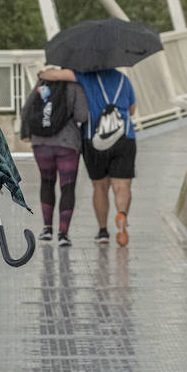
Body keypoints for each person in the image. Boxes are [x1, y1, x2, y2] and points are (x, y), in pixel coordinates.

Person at [39, 67, 136, 246]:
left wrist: (42, 74)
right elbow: (131, 110)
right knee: (122, 185)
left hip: (93, 138)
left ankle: (103, 231)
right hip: (124, 137)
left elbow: (56, 75)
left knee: (100, 186)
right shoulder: (123, 79)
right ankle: (122, 214)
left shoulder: (85, 76)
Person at [18, 77, 88, 246]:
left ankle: (47, 229)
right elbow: (82, 115)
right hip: (67, 144)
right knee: (67, 186)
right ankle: (63, 233)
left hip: (41, 144)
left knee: (47, 182)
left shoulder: (42, 83)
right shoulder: (74, 85)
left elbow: (26, 110)